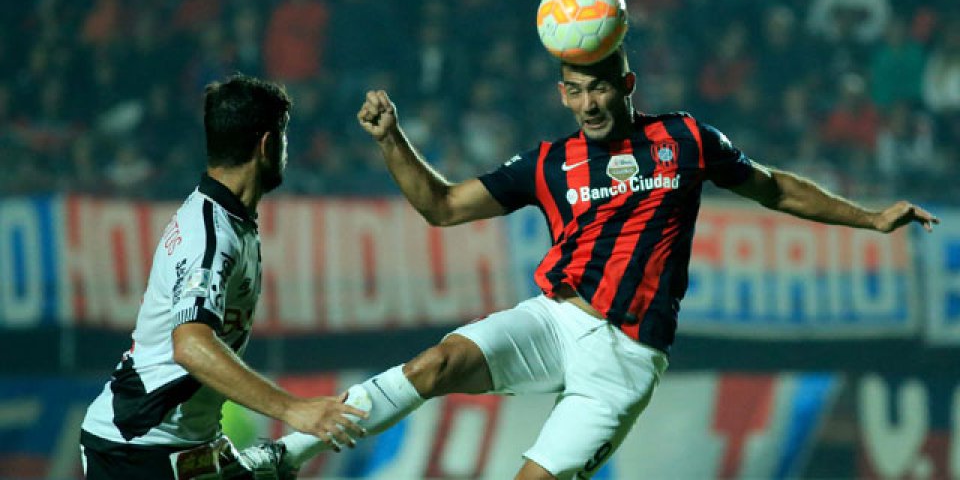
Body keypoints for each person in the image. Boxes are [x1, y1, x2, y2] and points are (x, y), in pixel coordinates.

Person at [246, 47, 939, 480]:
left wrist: (870, 216)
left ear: (626, 82)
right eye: (575, 91)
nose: (589, 103)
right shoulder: (548, 162)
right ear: (561, 94)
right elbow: (443, 207)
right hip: (552, 321)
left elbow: (775, 186)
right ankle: (285, 457)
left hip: (625, 361)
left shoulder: (684, 139)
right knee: (434, 364)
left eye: (600, 88)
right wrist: (392, 140)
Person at [79, 74, 366, 480]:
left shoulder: (230, 220)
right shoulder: (211, 237)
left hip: (179, 445)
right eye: (285, 137)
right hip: (137, 452)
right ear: (267, 144)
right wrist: (292, 408)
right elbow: (191, 346)